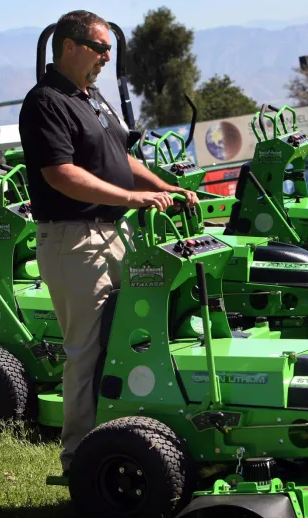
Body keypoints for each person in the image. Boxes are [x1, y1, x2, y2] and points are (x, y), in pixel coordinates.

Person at [18, 10, 198, 475]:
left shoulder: (92, 96)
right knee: (87, 350)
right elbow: (61, 175)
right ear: (70, 46)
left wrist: (165, 189)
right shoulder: (44, 102)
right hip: (74, 241)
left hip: (115, 235)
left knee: (133, 338)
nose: (107, 56)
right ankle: (81, 461)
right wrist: (132, 198)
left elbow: (122, 156)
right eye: (100, 47)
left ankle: (128, 441)